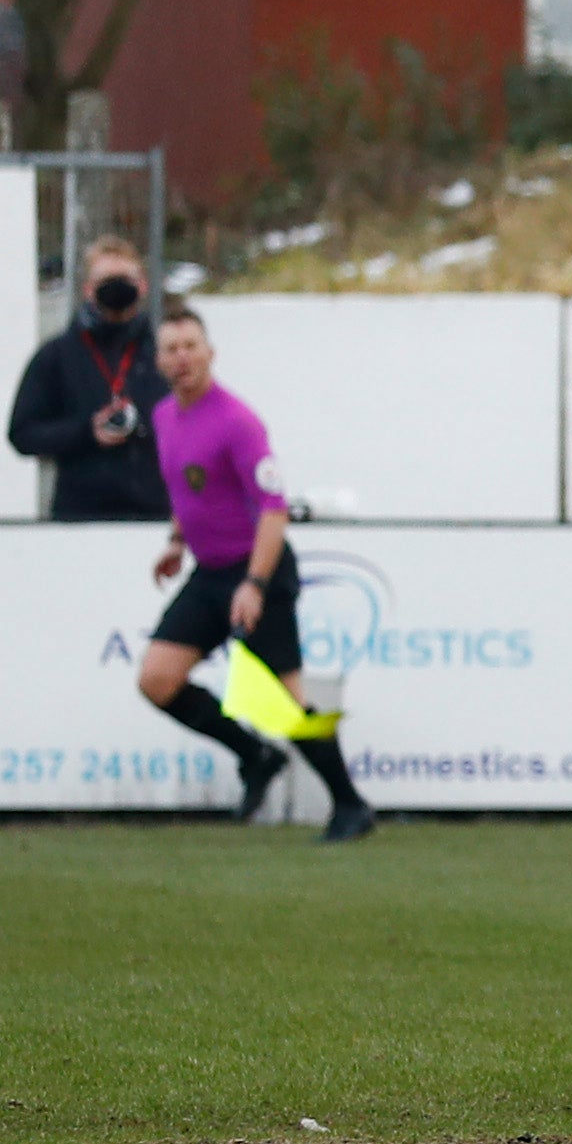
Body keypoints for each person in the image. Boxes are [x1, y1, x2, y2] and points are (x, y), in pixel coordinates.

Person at [137, 303, 373, 842]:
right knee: (157, 678)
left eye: (190, 346)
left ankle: (350, 804)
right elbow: (187, 490)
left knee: (287, 699)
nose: (182, 358)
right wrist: (177, 541)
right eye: (171, 349)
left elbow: (273, 508)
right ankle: (255, 756)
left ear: (210, 352)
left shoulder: (237, 422)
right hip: (208, 570)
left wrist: (256, 584)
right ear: (159, 361)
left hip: (256, 572)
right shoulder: (164, 416)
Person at [6, 238, 169, 520]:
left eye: (125, 279)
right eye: (106, 280)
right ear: (88, 290)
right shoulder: (56, 355)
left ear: (143, 285)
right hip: (79, 517)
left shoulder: (165, 353)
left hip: (154, 515)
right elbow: (22, 433)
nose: (117, 287)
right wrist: (86, 433)